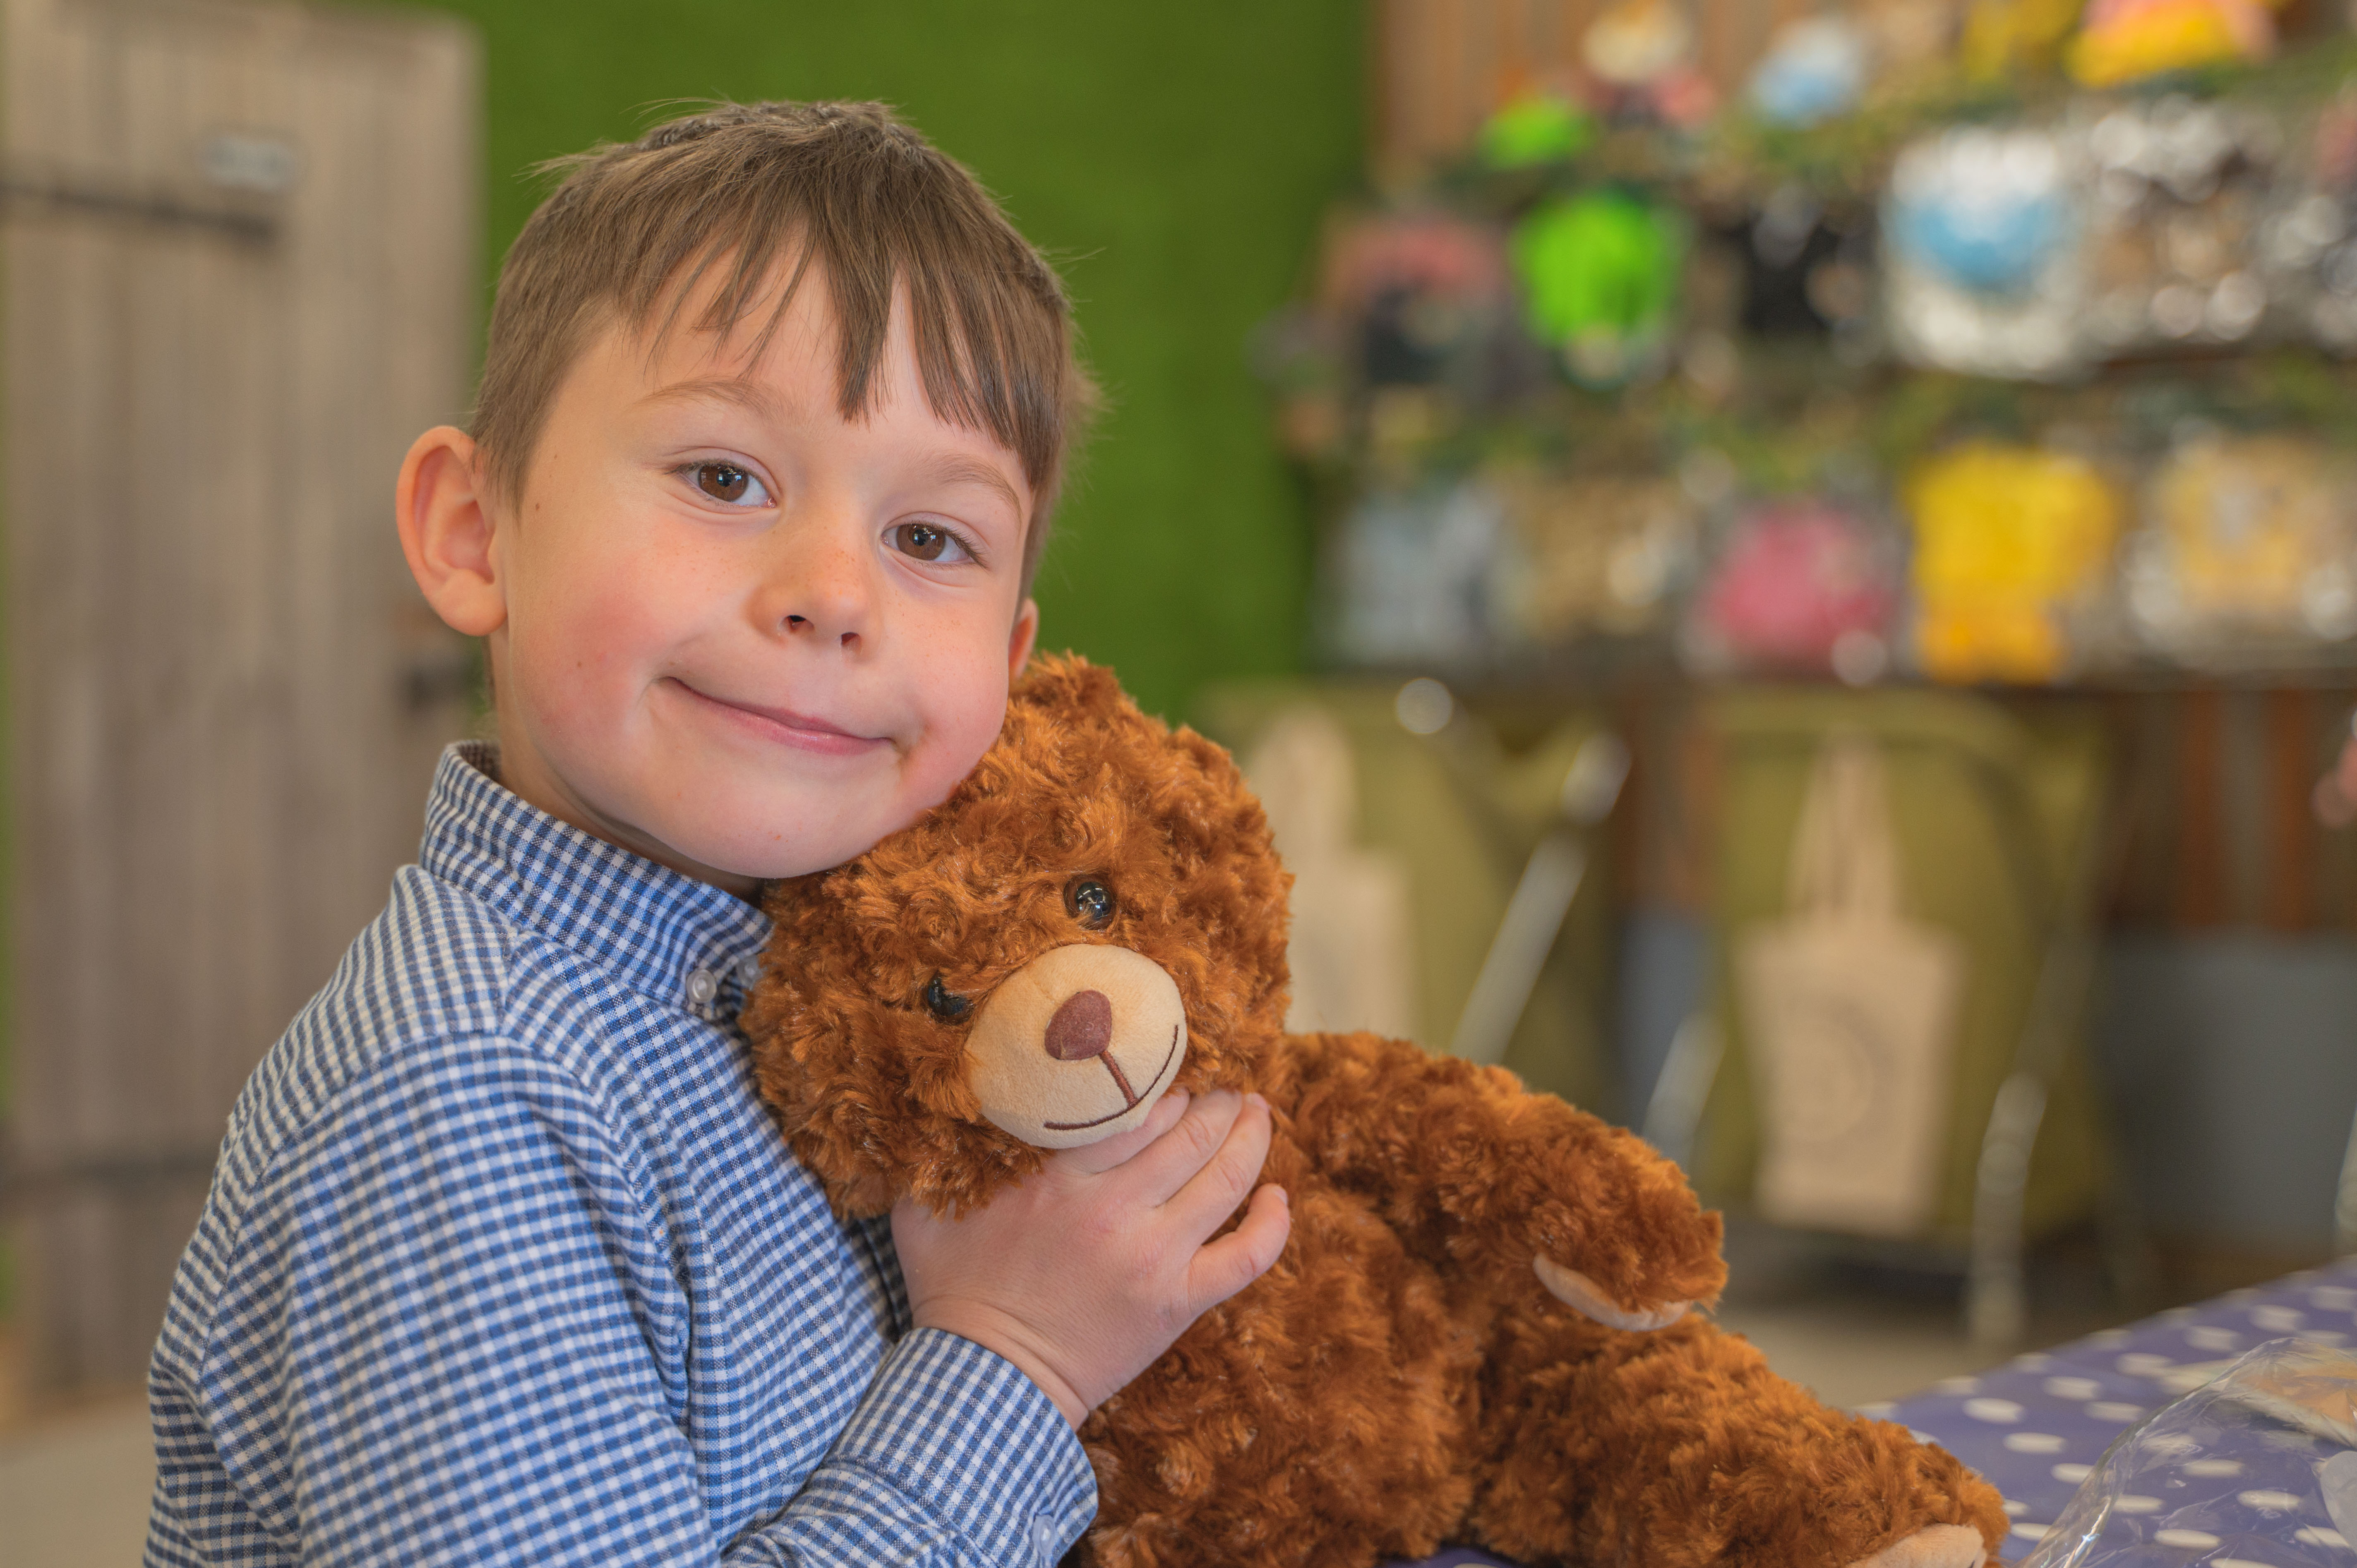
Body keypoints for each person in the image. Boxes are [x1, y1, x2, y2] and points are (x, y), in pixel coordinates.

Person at [145, 101, 1291, 1567]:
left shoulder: (883, 1010)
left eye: (929, 538)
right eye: (723, 478)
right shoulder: (464, 1091)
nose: (832, 592)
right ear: (475, 531)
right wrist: (1016, 1360)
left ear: (1007, 670)